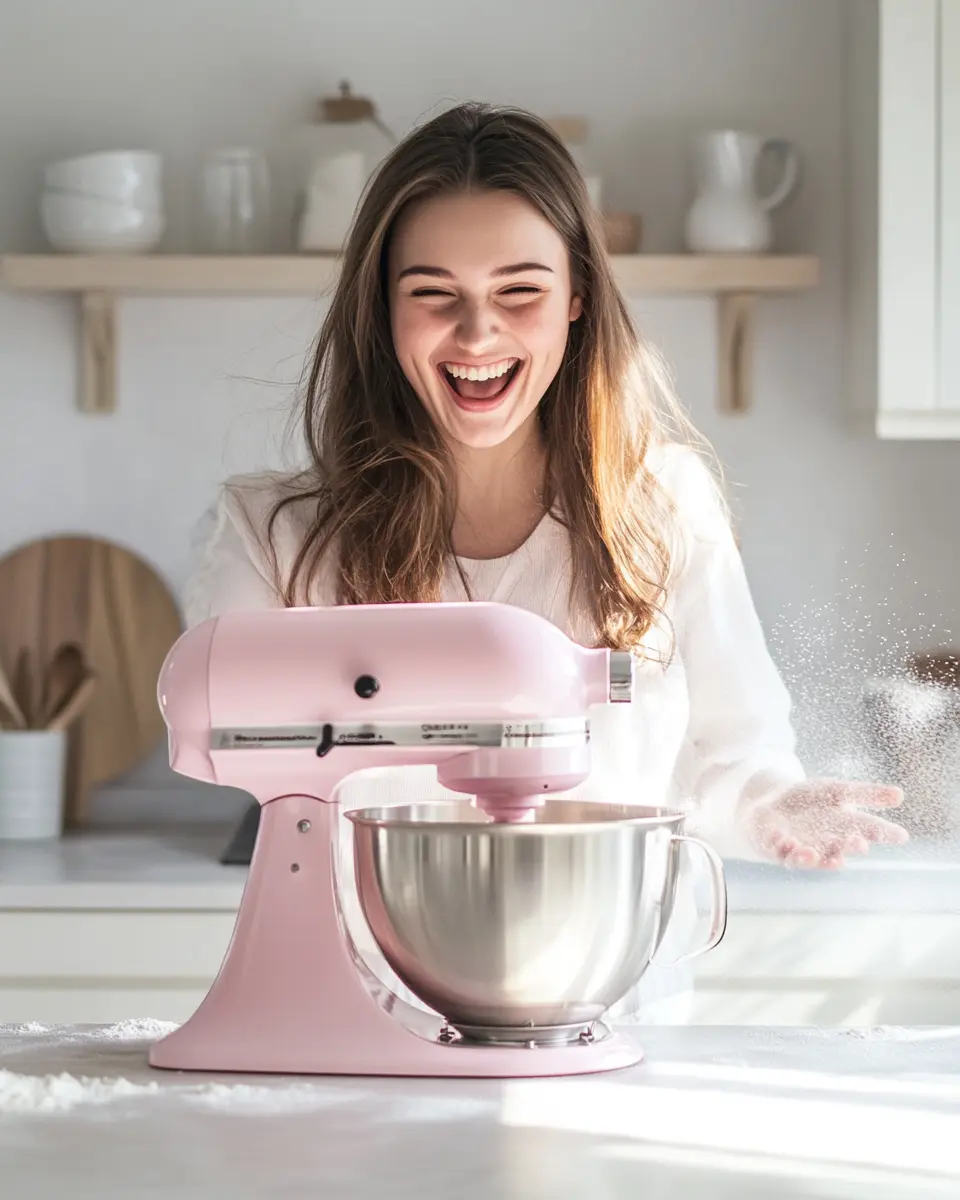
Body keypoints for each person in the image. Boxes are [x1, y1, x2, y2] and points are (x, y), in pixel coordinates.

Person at [184, 102, 907, 1023]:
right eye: (433, 293)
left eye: (519, 291)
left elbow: (734, 753)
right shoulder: (278, 535)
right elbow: (220, 735)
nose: (477, 335)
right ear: (382, 308)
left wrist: (774, 807)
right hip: (370, 1011)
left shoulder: (661, 507)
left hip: (615, 1001)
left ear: (576, 297)